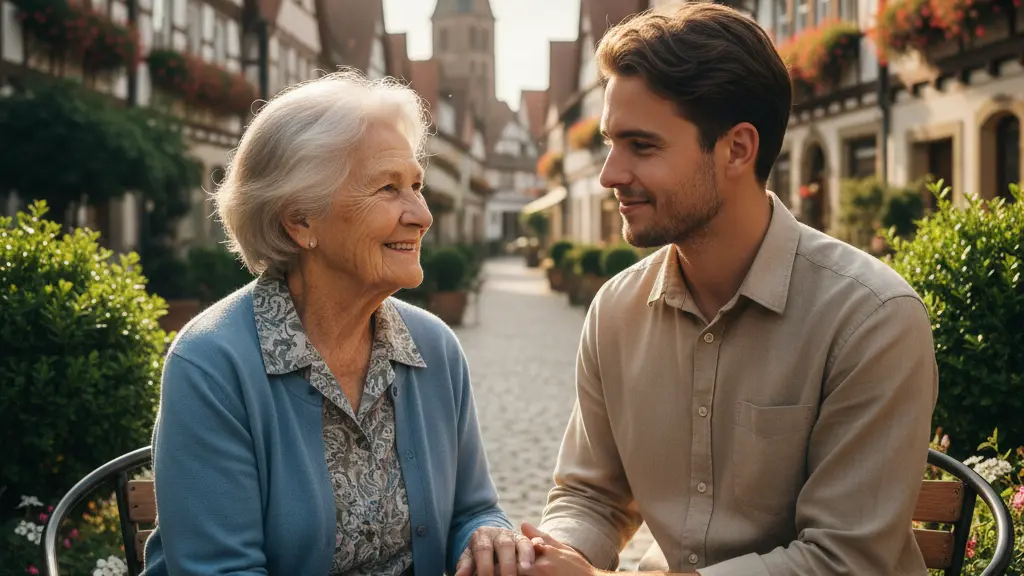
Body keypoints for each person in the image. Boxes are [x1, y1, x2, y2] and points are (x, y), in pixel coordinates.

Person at [520, 4, 938, 575]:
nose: (609, 174)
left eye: (641, 146)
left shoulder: (871, 318)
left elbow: (846, 561)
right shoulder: (615, 310)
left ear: (737, 149)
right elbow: (590, 496)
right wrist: (552, 553)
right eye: (610, 143)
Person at [142, 71, 533, 576]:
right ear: (300, 220)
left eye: (416, 185)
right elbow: (219, 570)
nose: (421, 214)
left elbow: (473, 508)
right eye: (388, 188)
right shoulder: (213, 363)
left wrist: (486, 535)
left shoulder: (434, 347)